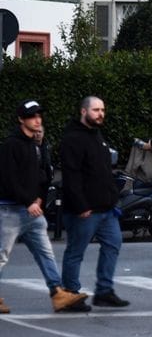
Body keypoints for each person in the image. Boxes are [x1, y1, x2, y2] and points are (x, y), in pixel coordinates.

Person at [0, 100, 89, 314]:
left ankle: (57, 294)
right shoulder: (11, 145)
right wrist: (28, 201)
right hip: (10, 211)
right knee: (1, 255)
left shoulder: (35, 145)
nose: (38, 119)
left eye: (39, 115)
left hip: (32, 211)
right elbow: (8, 179)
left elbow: (41, 176)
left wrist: (39, 198)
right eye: (32, 116)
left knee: (45, 253)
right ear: (21, 119)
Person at [60, 96, 130, 308]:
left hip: (106, 208)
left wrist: (112, 198)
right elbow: (71, 175)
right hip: (85, 209)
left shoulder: (97, 135)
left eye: (102, 110)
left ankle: (104, 291)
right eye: (96, 110)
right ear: (83, 111)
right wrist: (81, 205)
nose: (100, 114)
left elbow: (103, 171)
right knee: (75, 251)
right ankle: (70, 294)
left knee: (113, 243)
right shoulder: (73, 138)